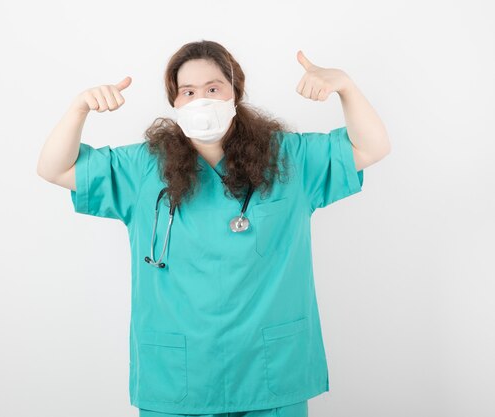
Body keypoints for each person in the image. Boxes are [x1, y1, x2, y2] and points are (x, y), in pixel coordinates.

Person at [37, 40, 391, 417]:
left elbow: (371, 147)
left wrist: (346, 87)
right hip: (178, 377)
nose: (201, 100)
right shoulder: (142, 168)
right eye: (187, 92)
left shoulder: (288, 158)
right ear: (174, 103)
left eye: (213, 88)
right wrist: (78, 109)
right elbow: (54, 169)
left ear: (234, 94)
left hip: (268, 372)